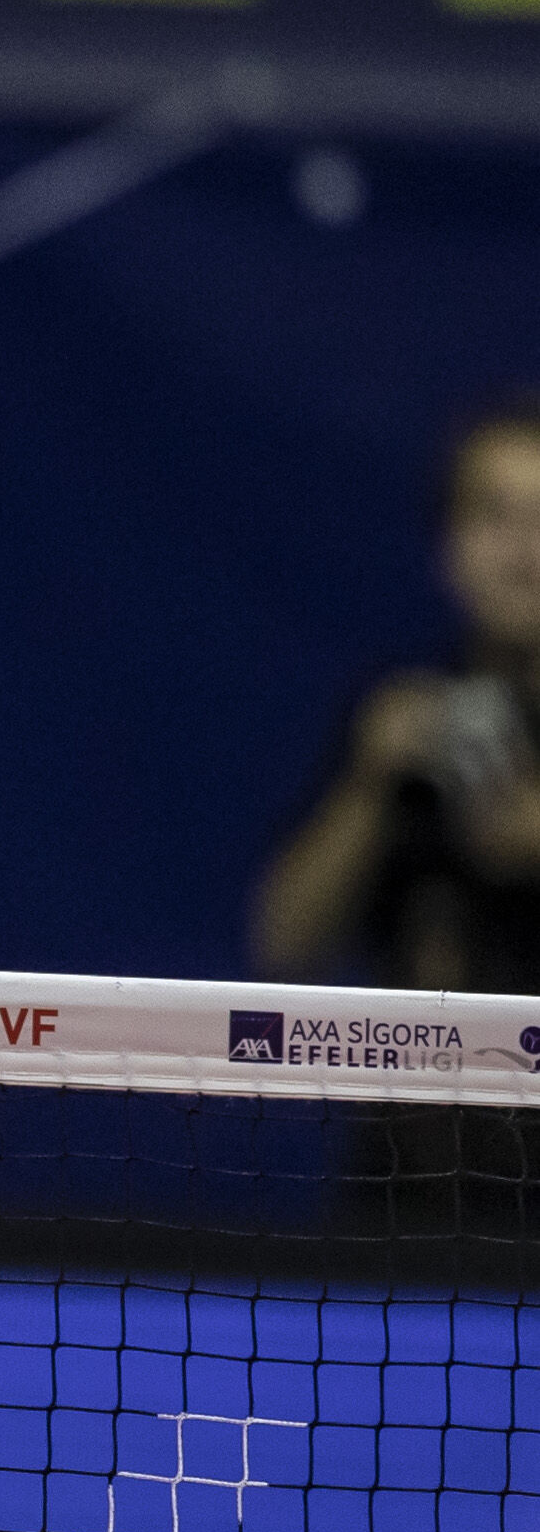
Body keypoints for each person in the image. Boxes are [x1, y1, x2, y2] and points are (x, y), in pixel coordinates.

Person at [254, 396, 540, 1227]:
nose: (523, 550)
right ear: (449, 547)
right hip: (407, 1209)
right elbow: (283, 942)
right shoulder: (399, 725)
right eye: (495, 515)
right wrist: (368, 786)